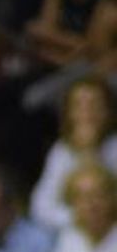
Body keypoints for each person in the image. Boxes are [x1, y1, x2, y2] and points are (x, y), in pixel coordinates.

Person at [31, 77, 117, 233]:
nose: (87, 113)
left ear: (109, 110)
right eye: (79, 106)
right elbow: (40, 208)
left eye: (95, 104)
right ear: (69, 113)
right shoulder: (61, 151)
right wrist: (76, 218)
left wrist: (91, 154)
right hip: (72, 234)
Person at [51, 163, 117, 252]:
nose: (91, 204)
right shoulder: (68, 239)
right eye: (82, 197)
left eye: (98, 195)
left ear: (113, 198)